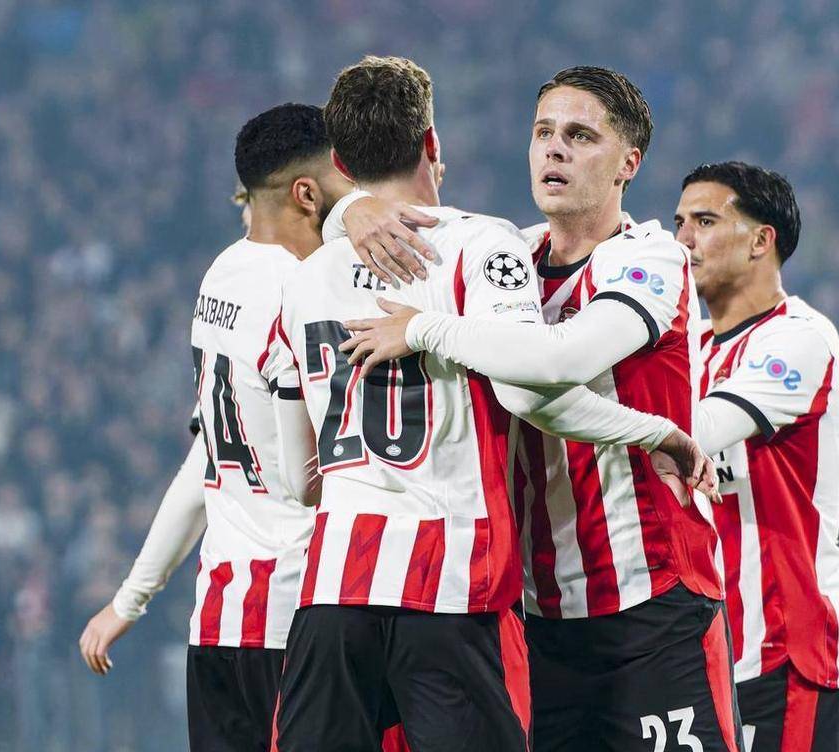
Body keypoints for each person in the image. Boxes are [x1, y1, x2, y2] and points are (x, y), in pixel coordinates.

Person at [269, 56, 716, 752]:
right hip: (539, 608)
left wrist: (421, 324)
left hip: (645, 594)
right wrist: (355, 210)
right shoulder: (507, 255)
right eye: (543, 132)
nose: (555, 149)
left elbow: (555, 365)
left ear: (629, 163)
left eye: (580, 136)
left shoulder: (649, 258)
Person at [78, 102, 353, 751]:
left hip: (219, 621)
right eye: (345, 183)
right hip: (297, 616)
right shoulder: (306, 290)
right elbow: (301, 482)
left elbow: (206, 462)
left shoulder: (221, 275)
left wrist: (130, 598)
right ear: (307, 193)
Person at [672, 162, 839, 751]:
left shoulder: (798, 338)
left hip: (787, 651)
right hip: (707, 653)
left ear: (761, 240)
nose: (684, 240)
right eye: (679, 223)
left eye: (705, 221)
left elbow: (695, 431)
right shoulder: (689, 351)